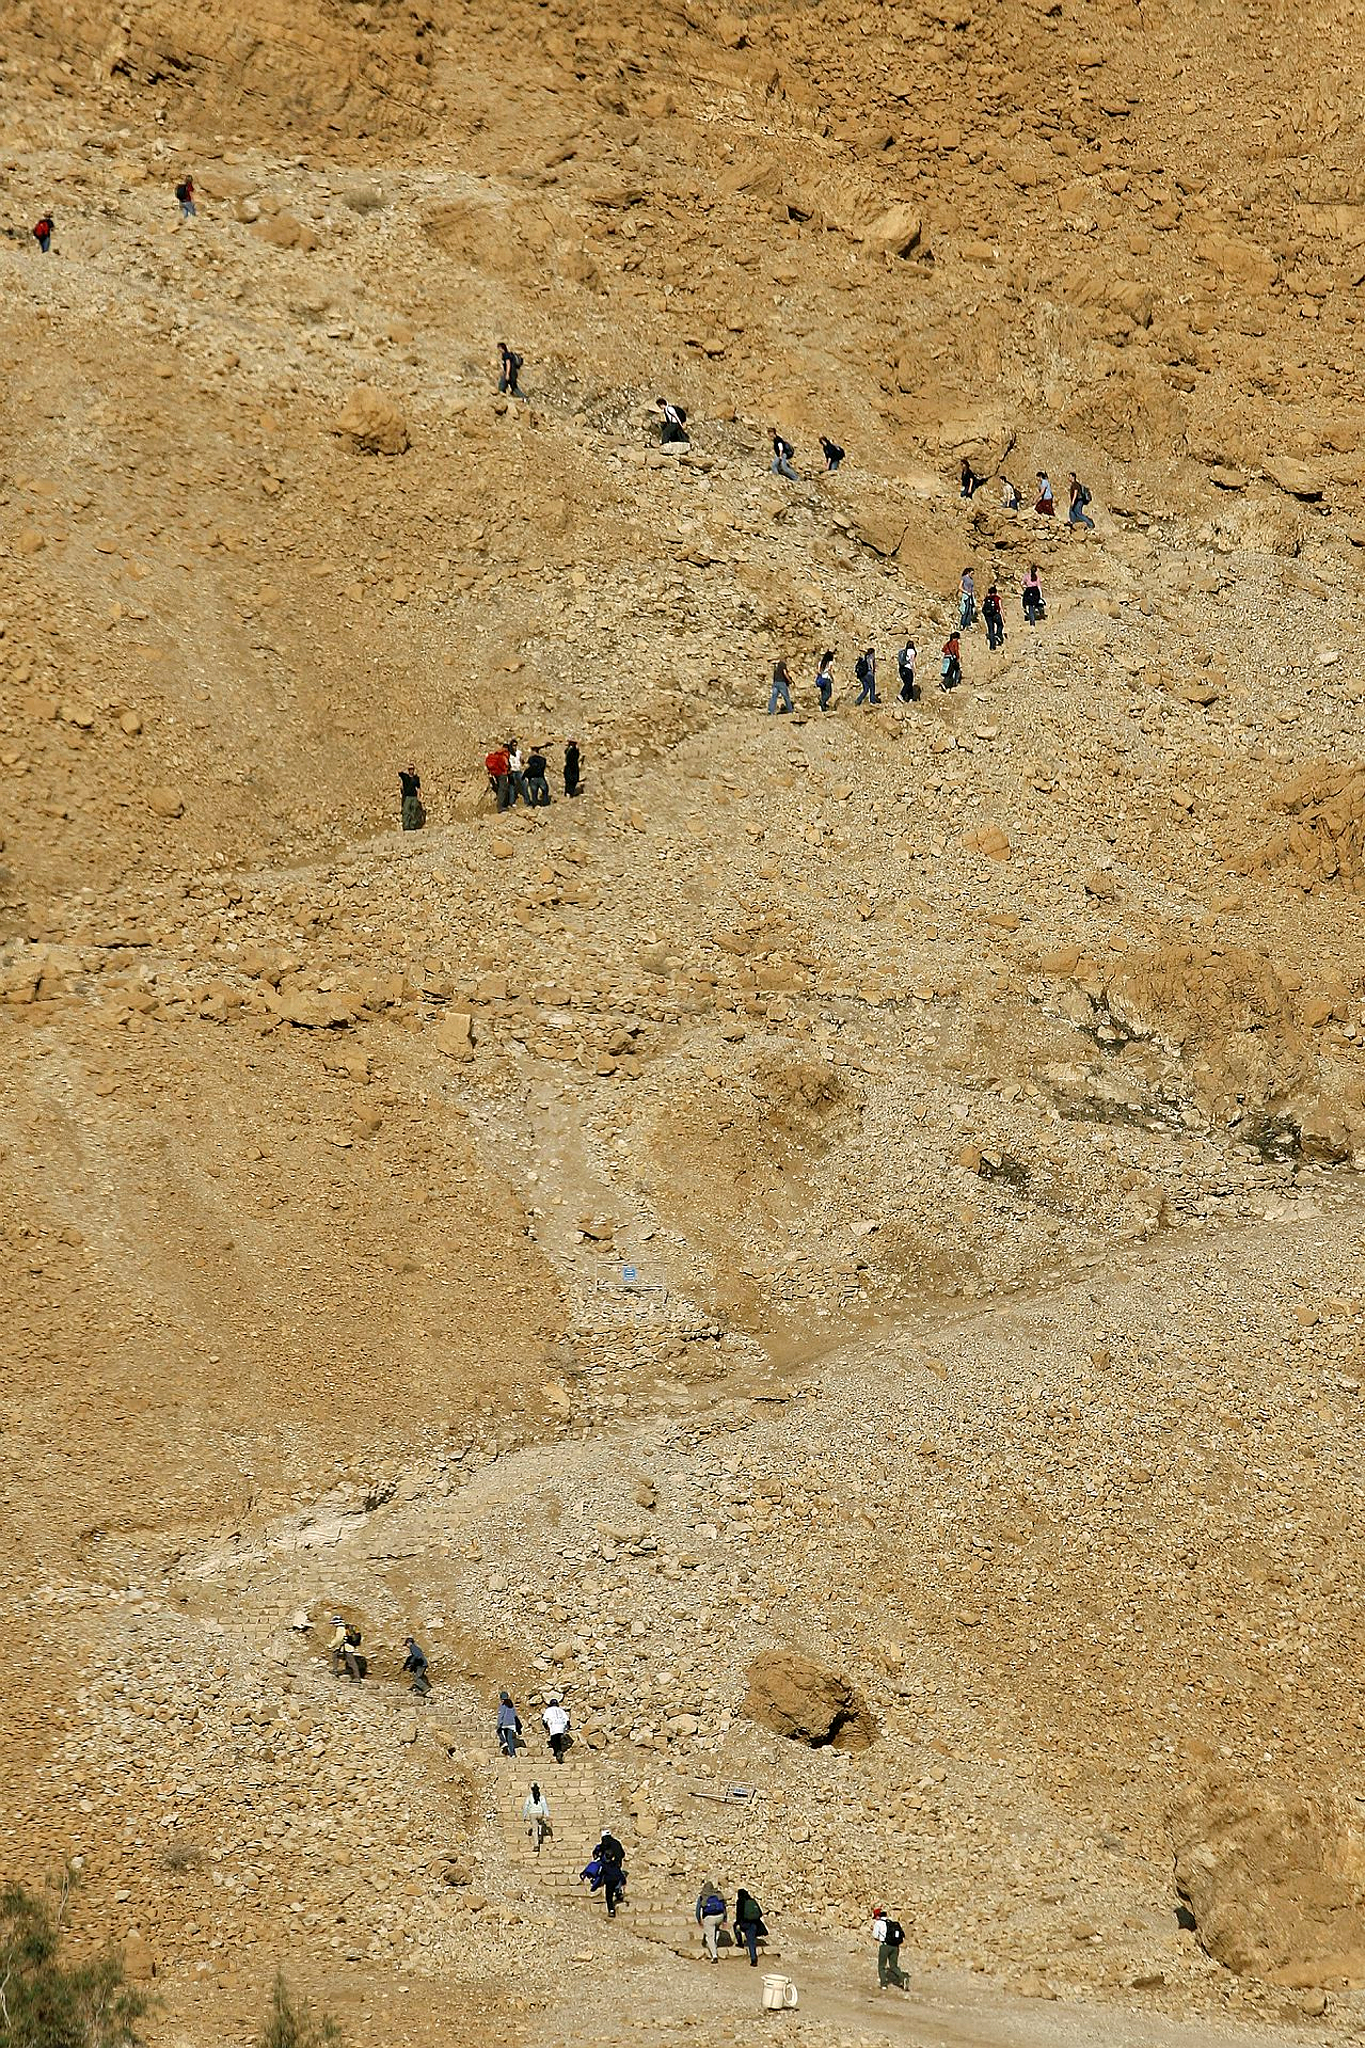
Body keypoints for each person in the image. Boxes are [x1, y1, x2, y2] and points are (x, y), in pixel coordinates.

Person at [872, 1908, 909, 1990]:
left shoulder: (878, 1923)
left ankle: (883, 1984)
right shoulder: (891, 1923)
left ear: (878, 1916)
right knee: (893, 1966)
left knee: (881, 1966)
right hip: (895, 1947)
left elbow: (875, 1935)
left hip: (885, 1946)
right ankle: (902, 1978)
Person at [734, 1889, 767, 1967]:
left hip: (744, 1923)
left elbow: (739, 1914)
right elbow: (760, 1913)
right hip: (753, 1923)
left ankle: (740, 1943)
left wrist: (739, 1923)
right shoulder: (752, 1900)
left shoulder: (740, 1901)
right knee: (751, 1941)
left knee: (735, 1927)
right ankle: (753, 1959)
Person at [595, 1833, 626, 1917]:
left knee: (608, 1896)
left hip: (609, 1880)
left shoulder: (604, 1865)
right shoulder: (617, 1843)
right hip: (617, 1873)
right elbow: (623, 1854)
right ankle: (618, 1894)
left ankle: (611, 1910)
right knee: (617, 1886)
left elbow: (600, 1873)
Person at [696, 1881, 727, 1962]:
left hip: (709, 1918)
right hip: (720, 1916)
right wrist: (725, 1920)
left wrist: (699, 1920)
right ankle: (715, 1945)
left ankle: (714, 1956)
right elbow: (724, 1907)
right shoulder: (718, 1894)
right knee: (716, 1931)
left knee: (709, 1937)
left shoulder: (703, 1896)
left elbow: (698, 1910)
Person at [328, 1615, 363, 1683]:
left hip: (347, 1647)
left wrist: (331, 1645)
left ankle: (357, 1677)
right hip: (346, 1647)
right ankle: (335, 1670)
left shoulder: (340, 1629)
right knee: (336, 1654)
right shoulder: (344, 1627)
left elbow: (339, 1639)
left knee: (351, 1662)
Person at [523, 1782, 552, 1854]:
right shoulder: (541, 1797)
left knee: (534, 1829)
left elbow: (526, 1807)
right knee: (541, 1824)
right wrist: (547, 1815)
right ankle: (540, 1836)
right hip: (540, 1813)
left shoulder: (529, 1797)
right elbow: (544, 1806)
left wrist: (524, 1815)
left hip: (532, 1814)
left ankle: (536, 1845)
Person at [542, 1693, 571, 1763]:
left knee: (554, 1740)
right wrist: (567, 1728)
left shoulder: (548, 1710)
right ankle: (559, 1749)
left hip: (554, 1726)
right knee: (558, 1738)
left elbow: (544, 1720)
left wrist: (546, 1727)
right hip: (562, 1726)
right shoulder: (561, 1710)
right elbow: (567, 1720)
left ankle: (557, 1752)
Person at [485, 743, 511, 811]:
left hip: (495, 773)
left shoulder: (496, 753)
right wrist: (507, 769)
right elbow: (506, 764)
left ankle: (501, 804)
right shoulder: (504, 754)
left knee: (500, 788)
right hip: (502, 773)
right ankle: (500, 807)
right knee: (502, 789)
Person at [399, 765, 424, 831]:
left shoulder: (416, 778)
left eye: (412, 769)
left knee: (414, 810)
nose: (411, 770)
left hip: (414, 797)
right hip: (407, 797)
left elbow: (418, 788)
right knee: (406, 811)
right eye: (410, 769)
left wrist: (418, 796)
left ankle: (413, 825)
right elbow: (399, 771)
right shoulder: (405, 777)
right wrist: (405, 768)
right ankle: (406, 826)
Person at [496, 1690, 521, 1756]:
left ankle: (504, 1742)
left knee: (498, 1731)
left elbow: (501, 1716)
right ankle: (512, 1754)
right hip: (512, 1724)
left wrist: (499, 1724)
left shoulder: (503, 1706)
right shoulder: (511, 1705)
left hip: (505, 1723)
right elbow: (515, 1715)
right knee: (509, 1738)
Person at [507, 741, 531, 808]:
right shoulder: (508, 753)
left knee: (524, 784)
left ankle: (527, 801)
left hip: (518, 770)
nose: (515, 747)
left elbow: (521, 760)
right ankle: (511, 802)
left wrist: (524, 763)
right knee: (512, 787)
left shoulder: (518, 752)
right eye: (513, 745)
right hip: (512, 771)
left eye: (516, 745)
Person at [983, 584, 1004, 651]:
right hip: (995, 614)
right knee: (1000, 625)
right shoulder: (997, 598)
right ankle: (998, 634)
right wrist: (1003, 616)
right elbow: (1000, 608)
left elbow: (983, 607)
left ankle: (992, 646)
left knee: (991, 630)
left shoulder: (986, 598)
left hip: (988, 616)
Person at [897, 638, 918, 703]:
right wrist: (914, 670)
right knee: (909, 683)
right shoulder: (912, 651)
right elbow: (912, 661)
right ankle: (902, 695)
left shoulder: (904, 651)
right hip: (908, 669)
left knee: (908, 683)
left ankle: (910, 697)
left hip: (902, 669)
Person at [959, 568, 976, 633]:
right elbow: (960, 587)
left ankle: (968, 624)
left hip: (971, 596)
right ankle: (962, 624)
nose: (972, 575)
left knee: (970, 611)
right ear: (968, 572)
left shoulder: (971, 579)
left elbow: (972, 588)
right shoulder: (964, 578)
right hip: (966, 596)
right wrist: (966, 592)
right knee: (965, 610)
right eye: (972, 573)